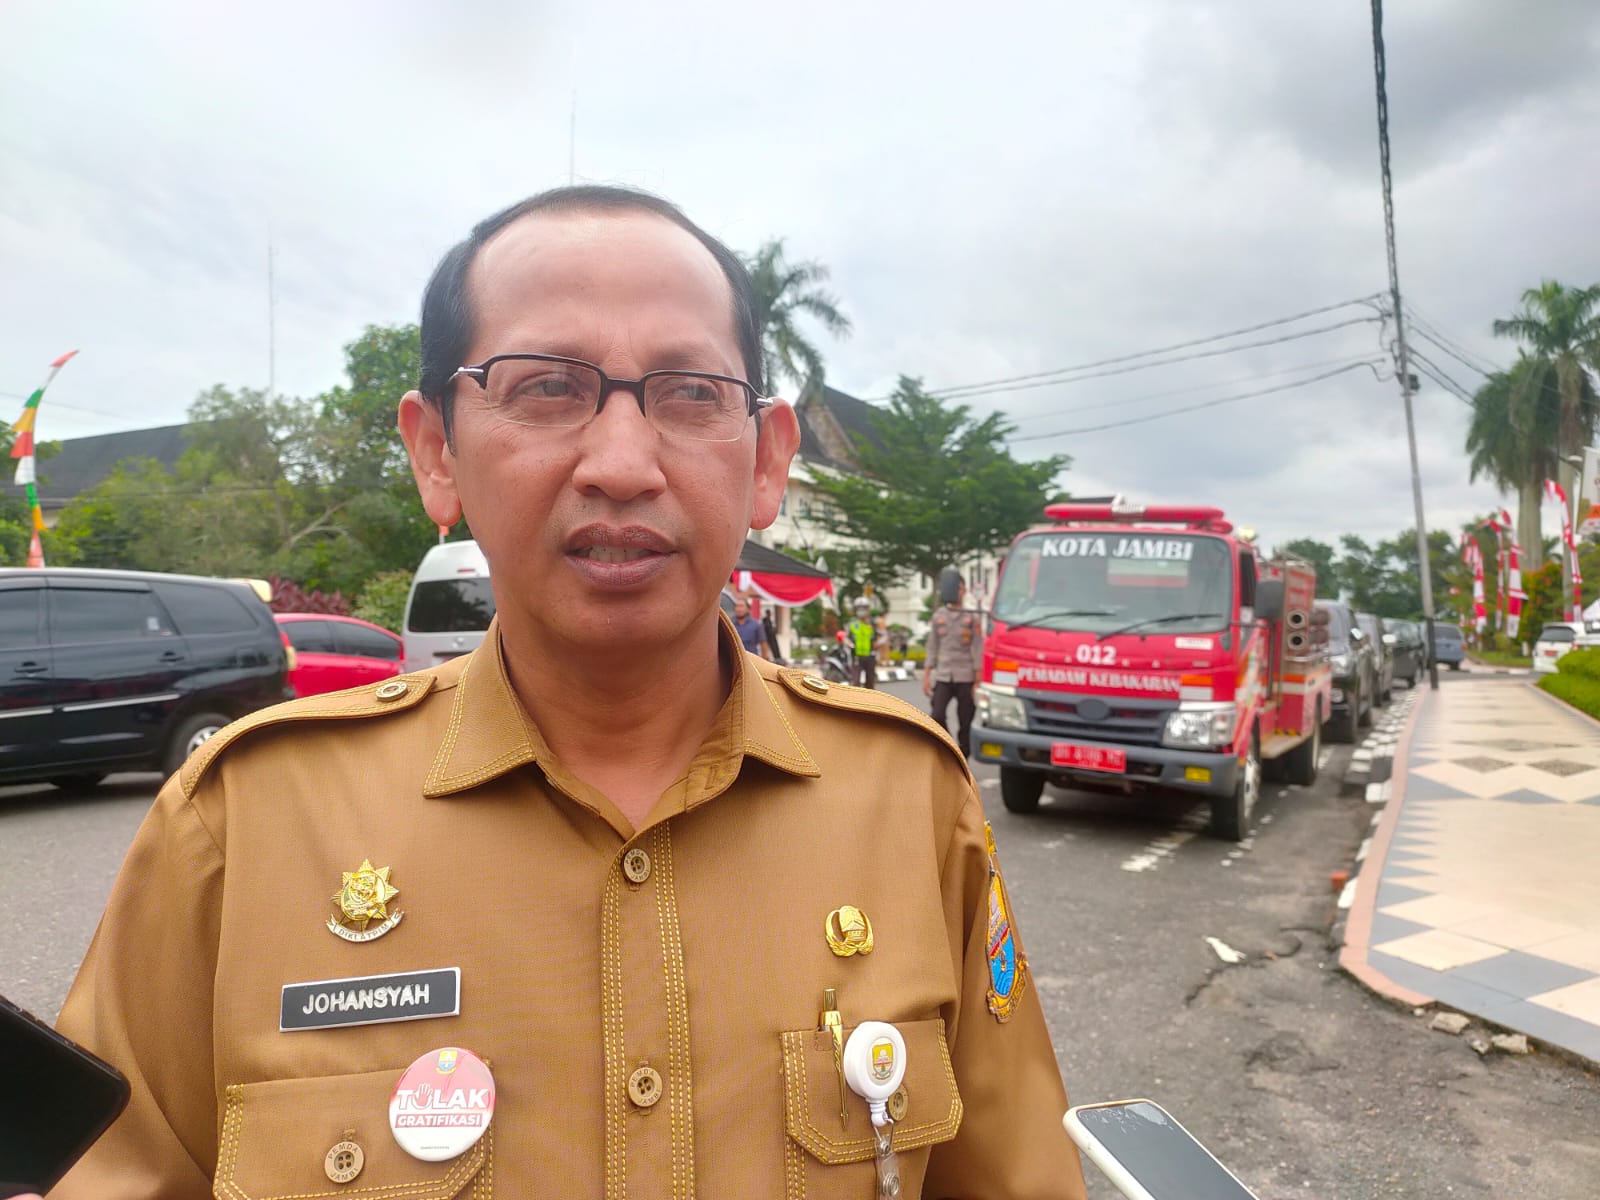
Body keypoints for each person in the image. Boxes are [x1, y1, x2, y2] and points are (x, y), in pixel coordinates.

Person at [47, 186, 1085, 1199]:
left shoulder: (907, 802)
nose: (624, 464)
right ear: (436, 452)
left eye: (689, 394)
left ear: (766, 461)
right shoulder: (245, 825)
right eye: (548, 387)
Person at [923, 566, 983, 757]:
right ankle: (951, 749)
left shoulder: (972, 617)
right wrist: (926, 675)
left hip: (966, 676)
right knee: (937, 715)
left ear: (963, 591)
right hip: (944, 675)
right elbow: (932, 646)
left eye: (958, 588)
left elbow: (978, 648)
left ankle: (963, 758)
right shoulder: (939, 616)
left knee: (966, 721)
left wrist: (978, 681)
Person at [846, 595, 879, 689]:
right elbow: (847, 637)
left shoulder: (873, 623)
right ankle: (855, 702)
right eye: (859, 608)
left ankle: (869, 702)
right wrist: (848, 643)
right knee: (855, 682)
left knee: (870, 682)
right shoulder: (852, 623)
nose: (861, 610)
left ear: (868, 609)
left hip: (870, 656)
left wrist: (878, 644)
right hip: (856, 656)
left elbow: (880, 636)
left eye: (864, 608)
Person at [731, 594, 768, 659]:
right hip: (734, 660)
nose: (739, 609)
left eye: (741, 606)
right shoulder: (731, 625)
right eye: (737, 606)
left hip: (752, 660)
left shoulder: (757, 625)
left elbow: (763, 643)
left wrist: (765, 661)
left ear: (748, 609)